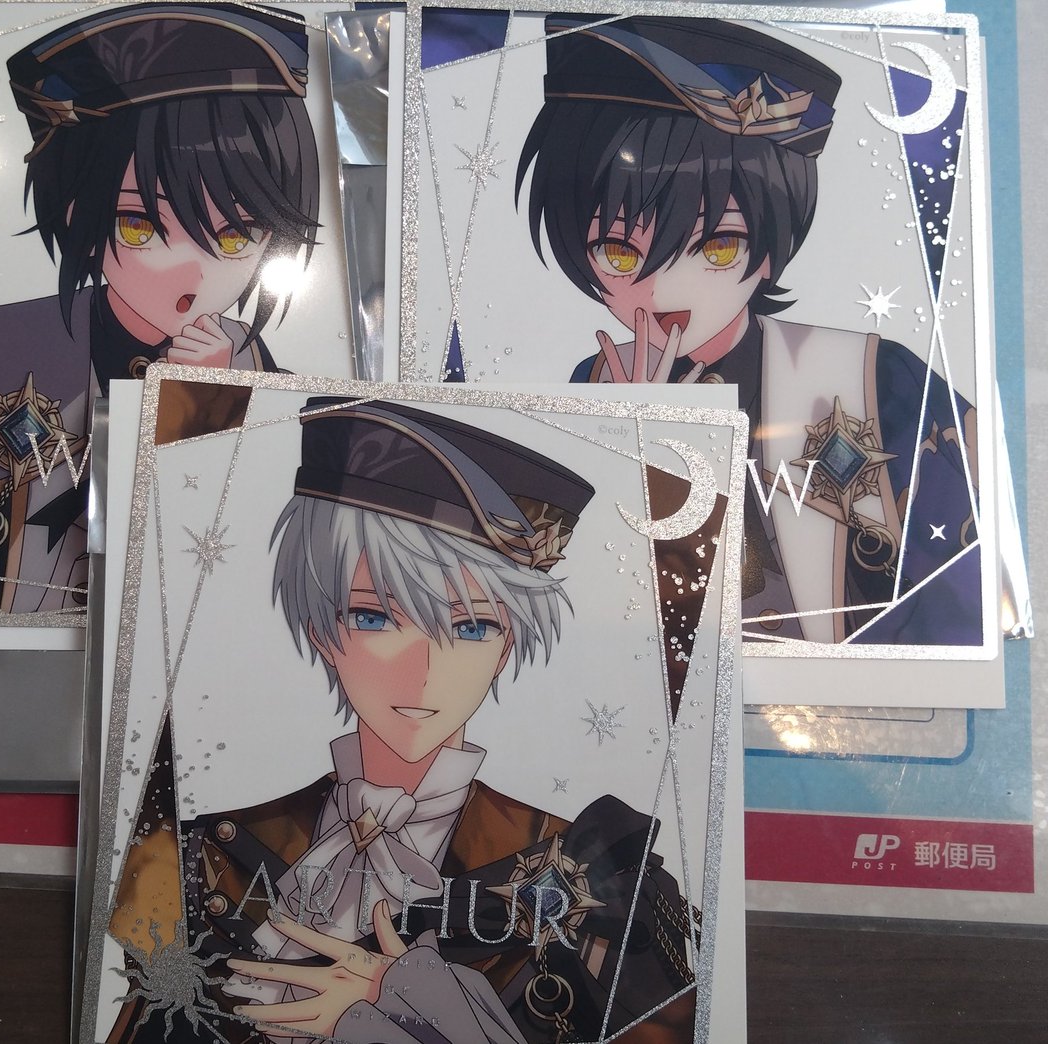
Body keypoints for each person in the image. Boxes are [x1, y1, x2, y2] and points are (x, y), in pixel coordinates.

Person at [107, 397, 699, 1043]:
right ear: (323, 629)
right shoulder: (207, 858)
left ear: (506, 646)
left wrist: (410, 1016)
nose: (424, 670)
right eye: (376, 617)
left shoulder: (592, 876)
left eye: (471, 627)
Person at [516, 16, 981, 646]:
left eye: (718, 246)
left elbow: (961, 591)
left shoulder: (872, 378)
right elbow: (566, 595)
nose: (665, 292)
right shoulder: (594, 385)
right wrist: (629, 435)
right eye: (621, 253)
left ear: (770, 252)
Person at [0, 3, 319, 615]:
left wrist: (205, 403)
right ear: (77, 210)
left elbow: (270, 575)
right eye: (139, 225)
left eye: (235, 235)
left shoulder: (265, 383)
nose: (187, 276)